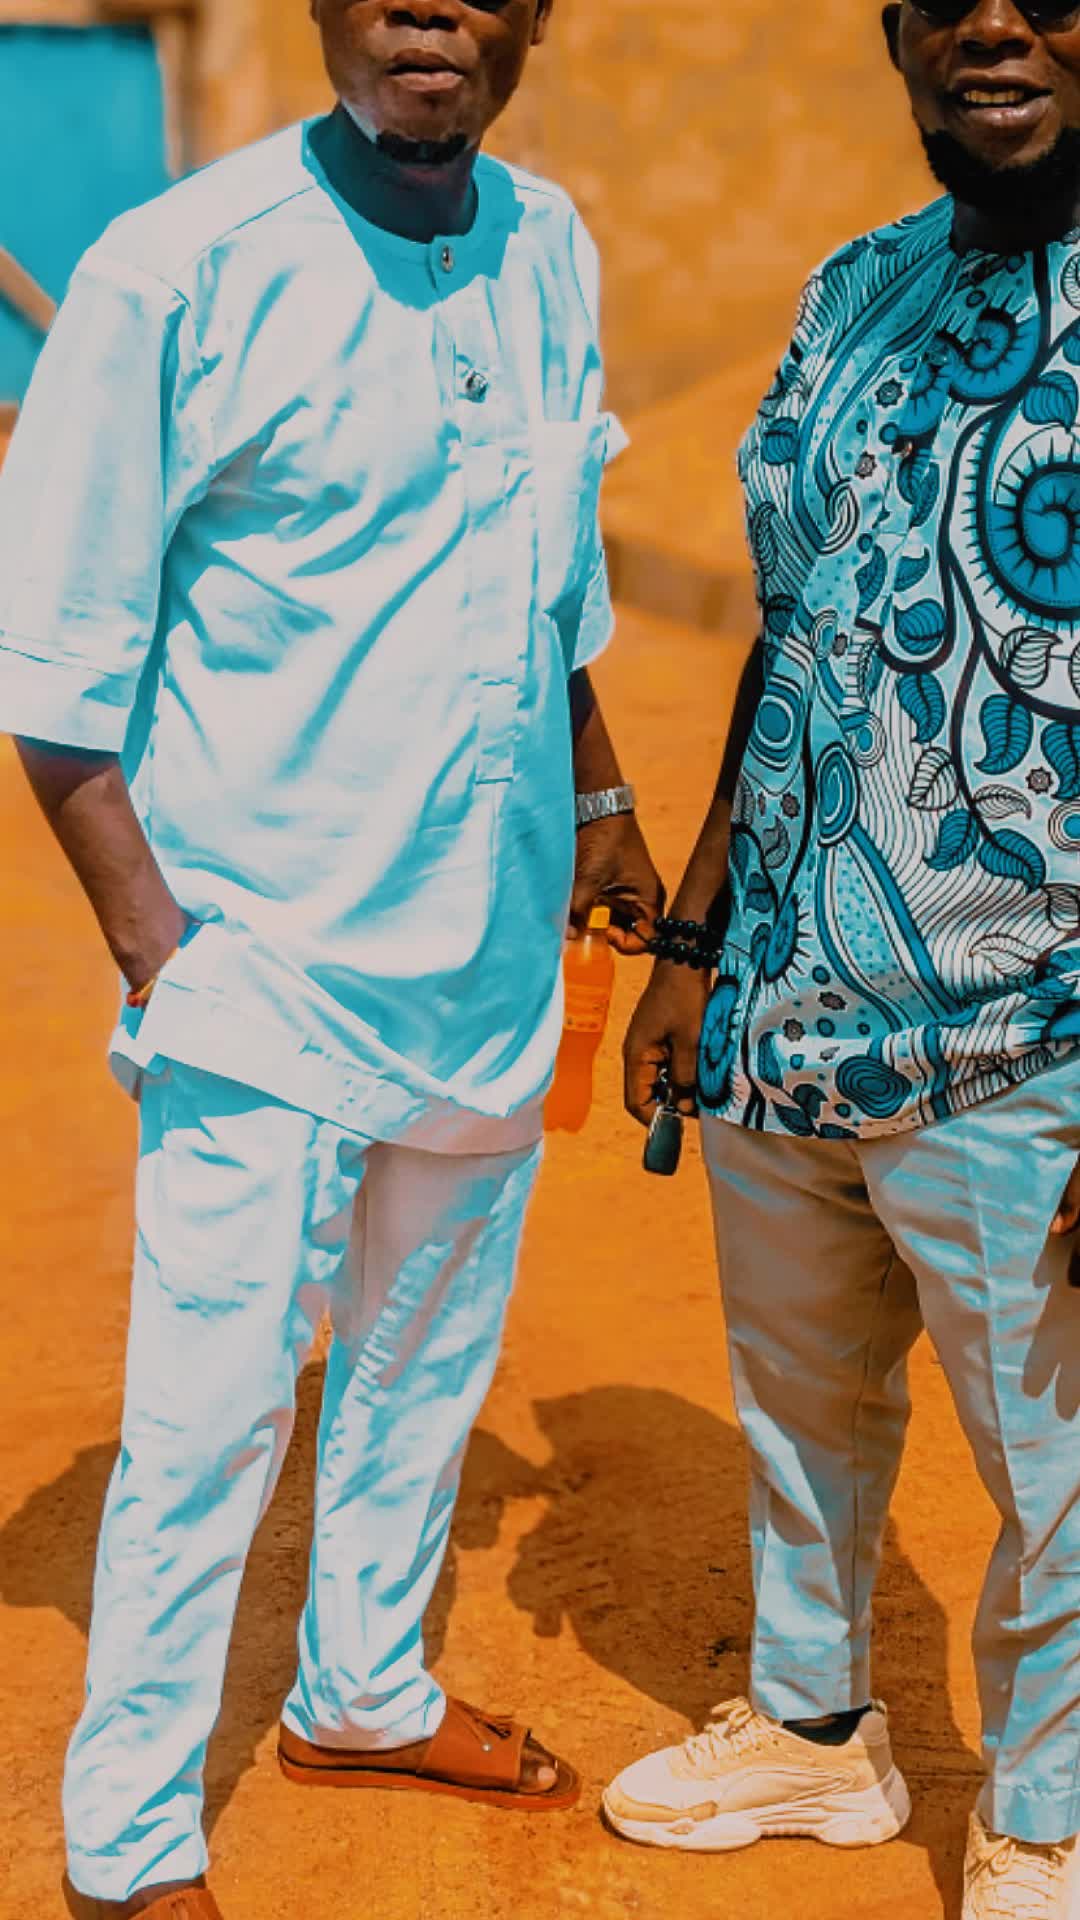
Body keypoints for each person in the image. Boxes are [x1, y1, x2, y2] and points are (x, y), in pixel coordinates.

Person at [0, 3, 663, 1914]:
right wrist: (162, 952)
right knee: (208, 1421)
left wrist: (602, 804)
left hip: (487, 946)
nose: (426, 8)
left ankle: (363, 1692)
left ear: (536, 15)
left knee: (425, 1361)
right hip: (260, 969)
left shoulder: (547, 241)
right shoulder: (175, 274)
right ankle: (130, 1840)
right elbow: (54, 666)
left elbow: (552, 582)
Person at [605, 3, 1080, 1915]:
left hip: (1029, 1024)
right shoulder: (854, 290)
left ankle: (1047, 1815)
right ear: (897, 37)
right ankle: (816, 1736)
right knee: (802, 1414)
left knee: (1055, 1464)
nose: (998, 21)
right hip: (792, 998)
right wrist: (699, 937)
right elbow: (792, 632)